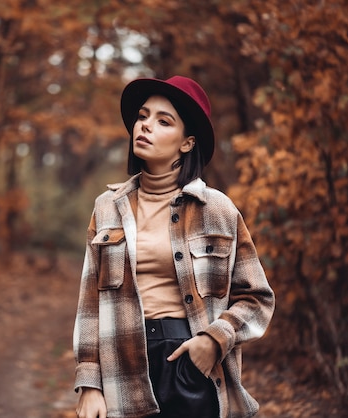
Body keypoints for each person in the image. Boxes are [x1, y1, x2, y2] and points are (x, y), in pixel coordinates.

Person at [72, 75, 275, 418]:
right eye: (142, 116)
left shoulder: (217, 210)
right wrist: (90, 384)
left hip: (192, 364)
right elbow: (91, 304)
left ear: (186, 143)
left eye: (163, 121)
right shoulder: (107, 208)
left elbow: (257, 297)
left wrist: (214, 340)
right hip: (123, 368)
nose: (145, 126)